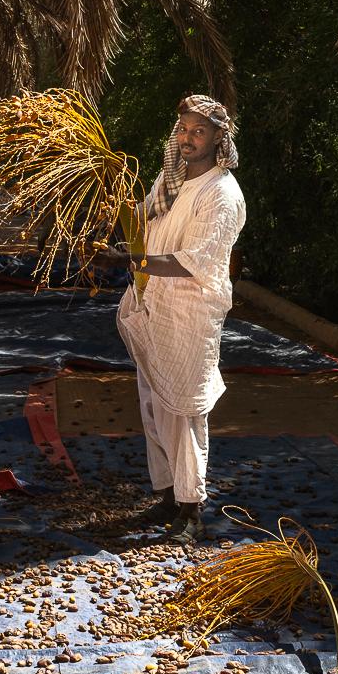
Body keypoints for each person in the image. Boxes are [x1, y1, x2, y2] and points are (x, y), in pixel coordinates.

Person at [101, 95, 247, 542]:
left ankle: (190, 508)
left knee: (183, 409)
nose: (187, 138)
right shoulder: (172, 180)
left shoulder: (222, 195)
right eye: (182, 129)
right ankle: (166, 495)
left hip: (188, 313)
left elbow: (193, 261)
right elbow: (141, 221)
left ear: (219, 138)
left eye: (198, 131)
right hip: (152, 306)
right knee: (153, 404)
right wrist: (110, 218)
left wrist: (130, 259)